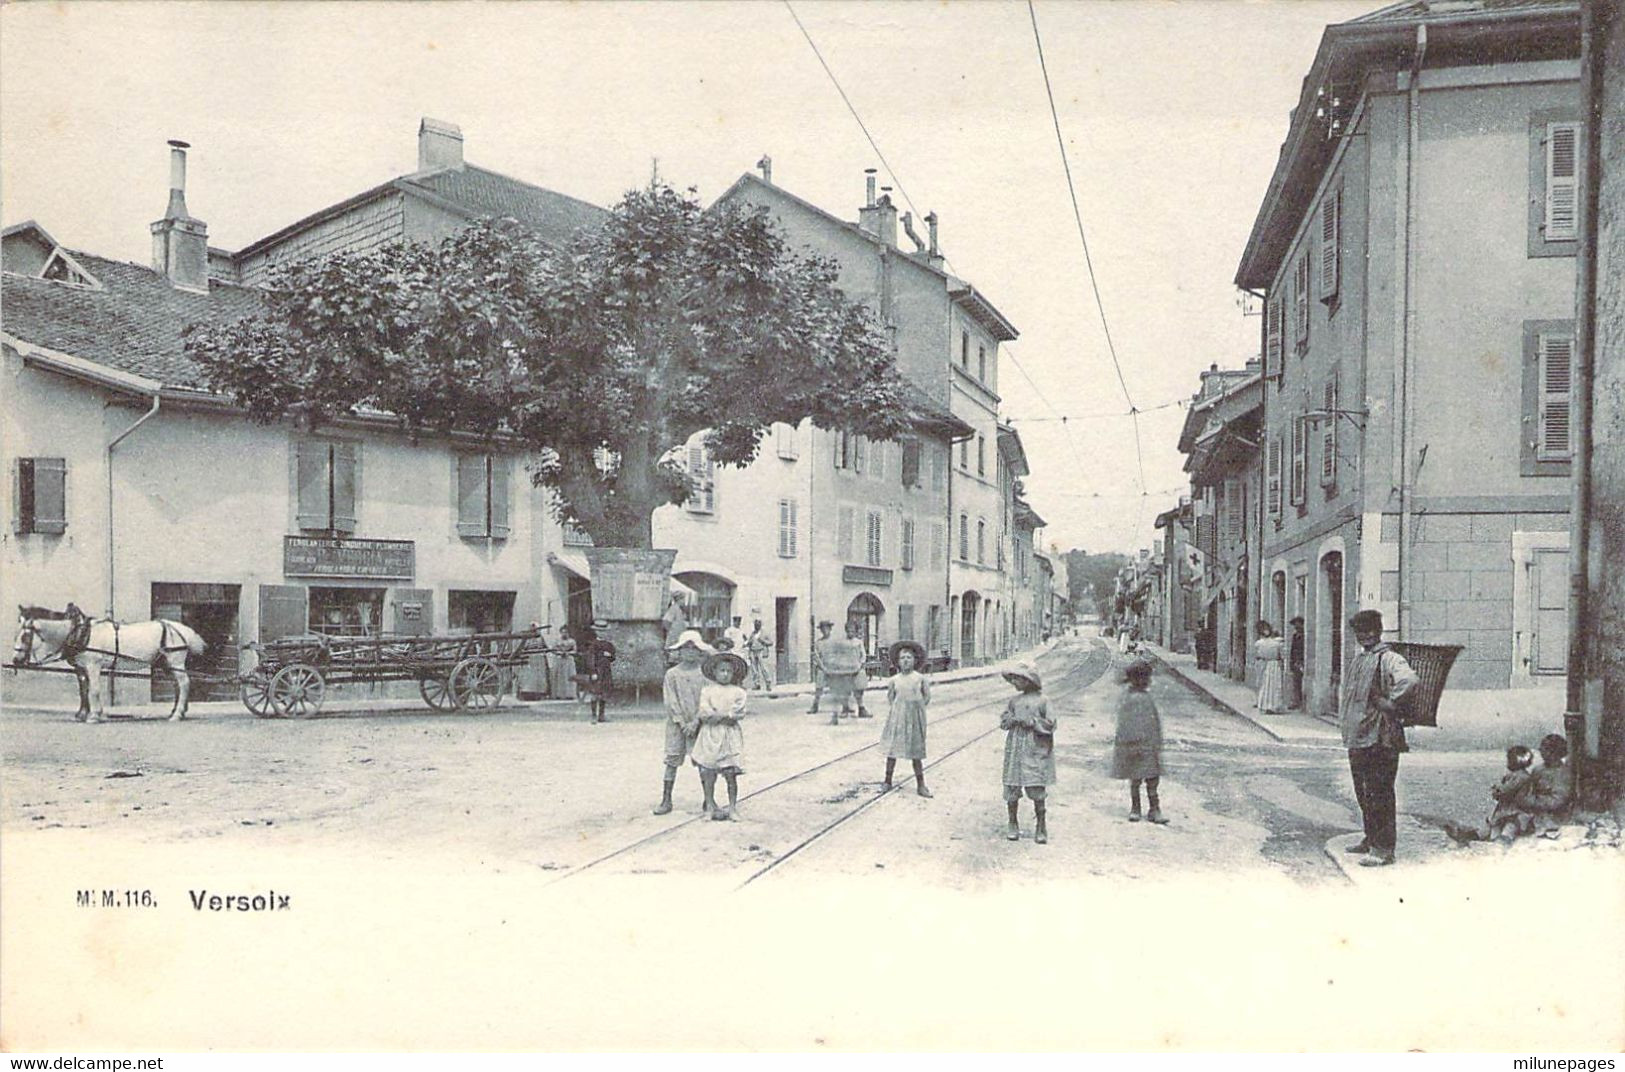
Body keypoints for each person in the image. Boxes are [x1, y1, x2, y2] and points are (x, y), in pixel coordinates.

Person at [1339, 609, 1419, 867]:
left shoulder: (1389, 658)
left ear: (1378, 630)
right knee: (1364, 792)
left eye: (1369, 630)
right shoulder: (1361, 659)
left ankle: (1384, 849)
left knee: (1380, 792)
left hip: (1381, 737)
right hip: (1359, 736)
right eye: (1360, 632)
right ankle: (1370, 838)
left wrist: (1389, 702)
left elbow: (1409, 680)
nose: (1364, 636)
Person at [655, 630, 712, 816]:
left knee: (703, 762)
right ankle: (666, 800)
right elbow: (670, 701)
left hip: (699, 724)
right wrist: (681, 722)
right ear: (678, 652)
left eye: (693, 648)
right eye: (685, 648)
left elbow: (707, 700)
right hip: (676, 725)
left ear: (699, 652)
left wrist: (696, 721)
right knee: (672, 760)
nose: (689, 652)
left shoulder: (704, 674)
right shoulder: (672, 675)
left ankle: (709, 800)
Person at [1000, 661, 1055, 844]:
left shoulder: (1043, 701)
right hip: (1016, 746)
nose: (1014, 682)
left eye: (1018, 678)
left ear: (1028, 680)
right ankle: (1012, 822)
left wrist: (1032, 722)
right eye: (1013, 678)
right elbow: (1004, 720)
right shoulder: (1014, 701)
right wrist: (1009, 720)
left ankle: (1041, 825)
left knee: (1036, 785)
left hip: (1035, 746)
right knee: (1012, 784)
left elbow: (1051, 724)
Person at [693, 651, 749, 820]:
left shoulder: (738, 692)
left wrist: (725, 716)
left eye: (728, 671)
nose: (725, 674)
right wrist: (716, 716)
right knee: (709, 772)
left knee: (730, 773)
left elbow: (739, 712)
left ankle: (732, 808)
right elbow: (704, 710)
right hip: (710, 733)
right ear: (715, 672)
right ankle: (709, 806)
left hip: (729, 734)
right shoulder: (707, 691)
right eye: (721, 670)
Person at [1112, 658, 1168, 824]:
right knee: (1135, 778)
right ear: (1137, 679)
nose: (1147, 681)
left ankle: (1154, 809)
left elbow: (1154, 722)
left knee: (1152, 779)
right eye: (1145, 678)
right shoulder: (1129, 698)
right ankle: (1136, 808)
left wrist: (1156, 742)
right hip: (1134, 745)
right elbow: (1124, 724)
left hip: (1149, 745)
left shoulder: (1146, 697)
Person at [1444, 745, 1537, 844]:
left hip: (1515, 812)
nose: (1508, 762)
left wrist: (1497, 790)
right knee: (1490, 828)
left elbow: (1506, 790)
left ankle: (1497, 844)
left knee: (1508, 828)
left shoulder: (1521, 777)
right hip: (1506, 810)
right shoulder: (1514, 776)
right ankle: (1468, 836)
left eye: (1510, 759)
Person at [881, 640, 932, 798]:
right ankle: (887, 780)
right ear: (897, 661)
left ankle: (921, 784)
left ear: (915, 660)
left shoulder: (920, 678)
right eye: (902, 658)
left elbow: (926, 697)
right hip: (898, 717)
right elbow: (891, 698)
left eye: (909, 657)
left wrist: (916, 709)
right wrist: (899, 710)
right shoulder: (894, 680)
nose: (905, 661)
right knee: (892, 749)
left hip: (914, 717)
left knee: (916, 751)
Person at [819, 622, 865, 725]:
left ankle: (861, 708)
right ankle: (844, 708)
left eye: (853, 631)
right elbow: (837, 655)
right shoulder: (842, 643)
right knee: (845, 690)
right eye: (848, 631)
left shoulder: (858, 642)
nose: (850, 633)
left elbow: (863, 655)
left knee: (859, 689)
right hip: (845, 669)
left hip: (856, 667)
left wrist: (861, 664)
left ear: (856, 632)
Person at [580, 619, 617, 723]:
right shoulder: (593, 645)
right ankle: (593, 716)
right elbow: (590, 659)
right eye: (600, 631)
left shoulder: (609, 644)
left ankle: (601, 715)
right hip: (597, 671)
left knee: (604, 693)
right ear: (596, 632)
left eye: (604, 631)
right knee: (595, 693)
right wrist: (593, 672)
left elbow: (613, 657)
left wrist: (610, 656)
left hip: (606, 671)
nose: (602, 633)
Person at [1254, 620, 1286, 715]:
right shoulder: (1278, 644)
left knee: (1264, 685)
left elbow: (1257, 654)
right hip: (1275, 665)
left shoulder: (1259, 643)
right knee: (1275, 685)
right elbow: (1282, 656)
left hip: (1264, 664)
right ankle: (1274, 706)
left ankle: (1264, 704)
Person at [807, 620, 834, 714]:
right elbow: (816, 656)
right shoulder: (818, 643)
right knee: (819, 688)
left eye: (826, 628)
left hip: (833, 667)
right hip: (822, 668)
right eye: (822, 629)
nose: (824, 631)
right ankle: (815, 706)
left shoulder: (835, 642)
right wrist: (823, 667)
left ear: (830, 629)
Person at [744, 616, 776, 694]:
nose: (756, 626)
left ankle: (768, 683)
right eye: (755, 624)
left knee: (764, 668)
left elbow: (771, 642)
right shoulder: (753, 633)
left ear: (760, 625)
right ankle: (756, 684)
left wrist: (763, 641)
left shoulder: (764, 633)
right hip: (753, 651)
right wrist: (747, 642)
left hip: (761, 651)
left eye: (758, 624)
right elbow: (749, 642)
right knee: (754, 669)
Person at [1288, 616, 1306, 710]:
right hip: (1296, 662)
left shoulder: (1305, 635)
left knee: (1301, 681)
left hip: (1302, 662)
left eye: (1297, 624)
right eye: (1295, 624)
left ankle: (1301, 702)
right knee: (1296, 682)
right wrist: (1292, 662)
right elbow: (1292, 650)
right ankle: (1296, 701)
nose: (1295, 626)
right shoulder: (1295, 636)